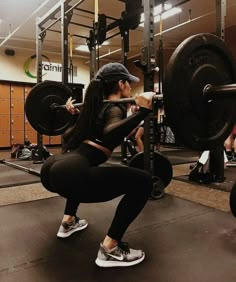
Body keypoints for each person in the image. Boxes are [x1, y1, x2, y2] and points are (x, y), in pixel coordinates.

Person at [40, 62, 155, 268]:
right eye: (128, 83)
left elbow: (72, 137)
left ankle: (68, 221)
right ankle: (110, 248)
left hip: (52, 168)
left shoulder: (92, 108)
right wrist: (142, 113)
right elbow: (110, 132)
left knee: (83, 174)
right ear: (121, 84)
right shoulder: (114, 107)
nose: (130, 87)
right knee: (144, 181)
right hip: (70, 173)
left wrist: (73, 115)